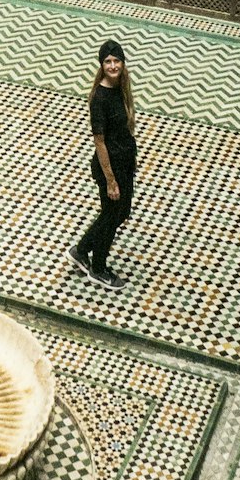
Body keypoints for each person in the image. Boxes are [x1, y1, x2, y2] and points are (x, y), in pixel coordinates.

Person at [67, 40, 137, 291]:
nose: (113, 65)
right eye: (107, 62)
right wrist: (110, 179)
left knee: (119, 212)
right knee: (111, 215)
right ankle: (98, 268)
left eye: (116, 60)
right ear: (101, 65)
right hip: (110, 167)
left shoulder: (122, 87)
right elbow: (99, 142)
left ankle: (82, 250)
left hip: (124, 162)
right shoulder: (99, 98)